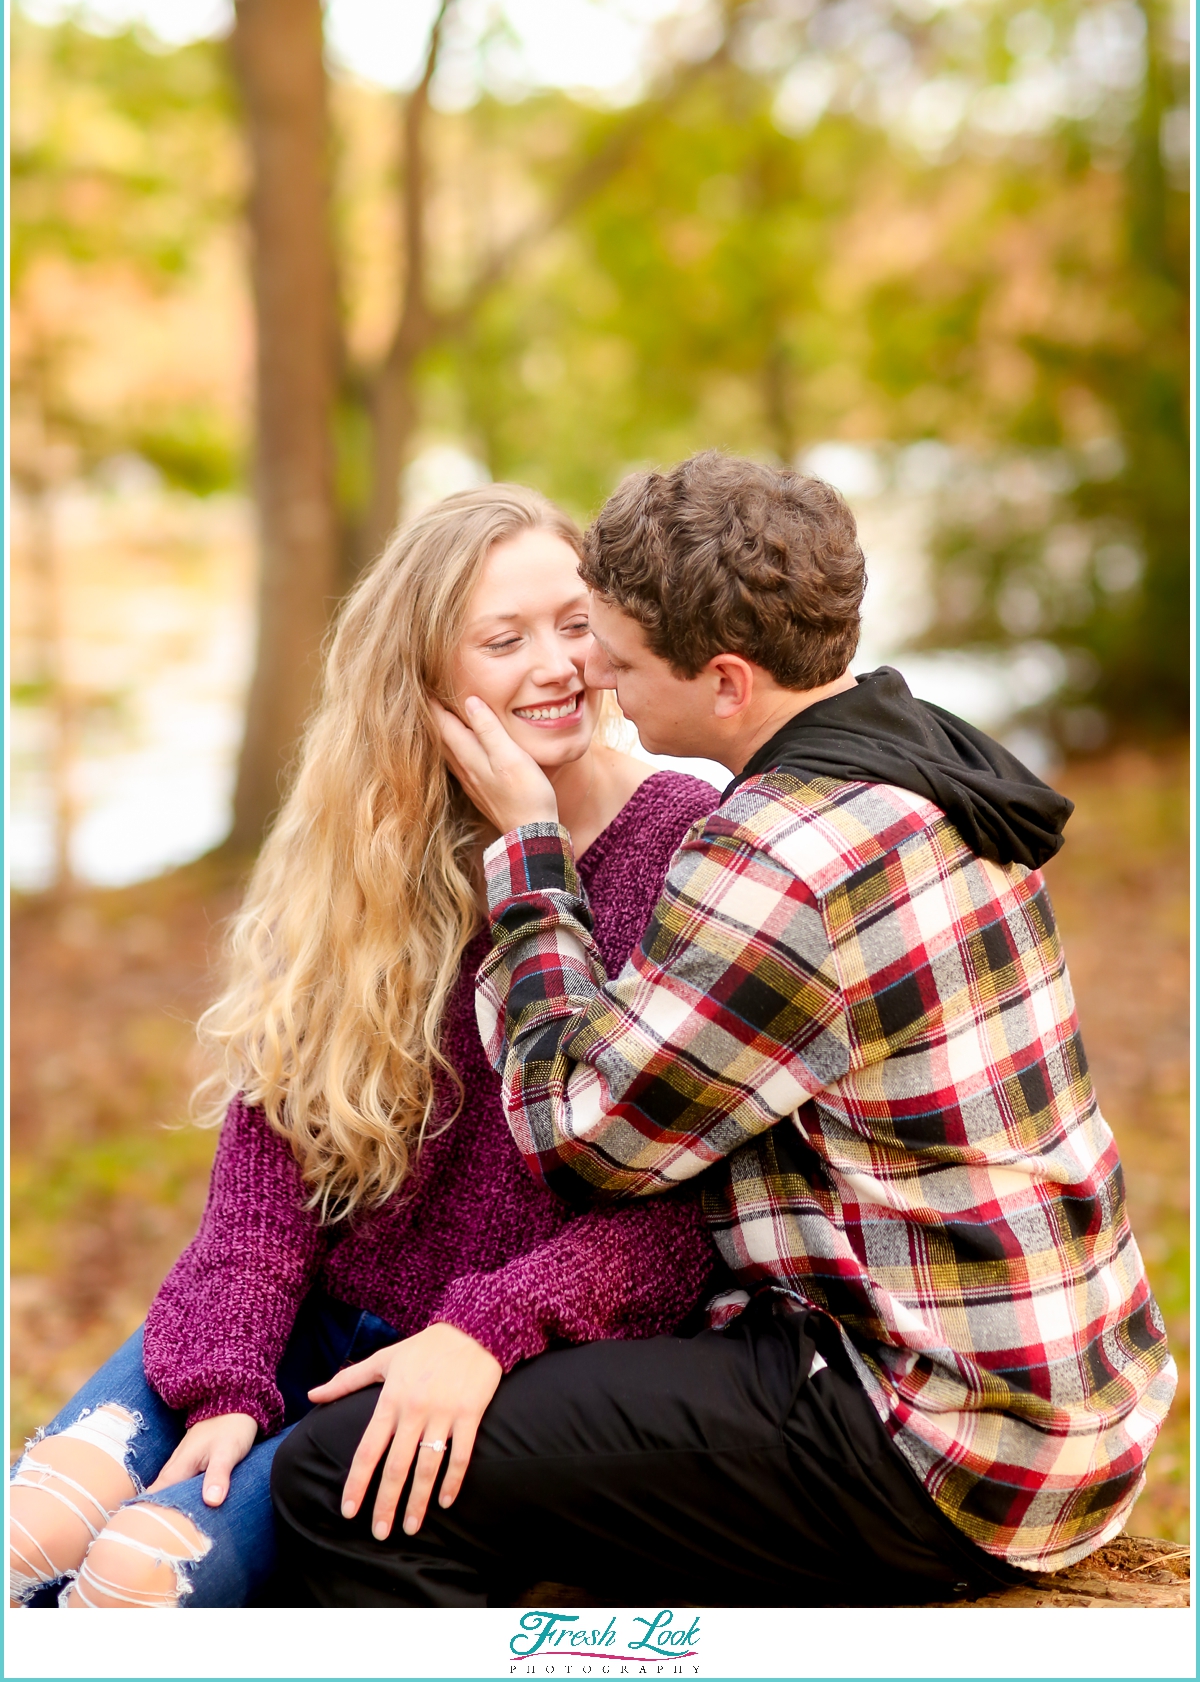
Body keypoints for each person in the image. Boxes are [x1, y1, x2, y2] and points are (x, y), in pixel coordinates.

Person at [274, 451, 1177, 1608]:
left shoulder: (777, 858)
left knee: (331, 1487)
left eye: (617, 649)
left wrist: (532, 857)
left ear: (729, 683)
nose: (588, 669)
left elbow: (579, 1131)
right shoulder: (921, 771)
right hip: (1067, 1395)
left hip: (937, 1441)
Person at [8, 485, 718, 1610]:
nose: (557, 665)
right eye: (504, 640)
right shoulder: (376, 843)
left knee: (136, 1583)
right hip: (304, 1307)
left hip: (465, 1362)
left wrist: (491, 1323)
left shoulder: (684, 844)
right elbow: (270, 1154)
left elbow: (678, 1217)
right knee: (34, 1526)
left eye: (574, 623)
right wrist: (229, 1380)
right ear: (427, 679)